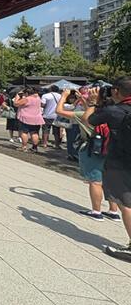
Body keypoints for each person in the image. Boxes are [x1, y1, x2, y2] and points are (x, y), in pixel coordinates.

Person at [56, 88, 119, 222]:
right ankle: (113, 211)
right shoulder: (115, 113)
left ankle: (96, 211)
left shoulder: (85, 115)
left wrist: (64, 96)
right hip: (111, 150)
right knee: (110, 181)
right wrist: (86, 100)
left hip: (93, 149)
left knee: (95, 182)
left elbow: (59, 111)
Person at [86, 78, 131, 261]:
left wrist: (92, 102)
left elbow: (90, 120)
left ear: (116, 91)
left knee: (126, 204)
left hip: (121, 162)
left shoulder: (114, 111)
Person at [14, 87, 44, 152]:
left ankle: (24, 147)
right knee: (34, 133)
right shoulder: (38, 98)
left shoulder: (27, 99)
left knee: (24, 132)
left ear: (27, 93)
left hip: (25, 118)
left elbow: (16, 104)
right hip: (36, 118)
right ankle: (35, 147)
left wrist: (17, 96)